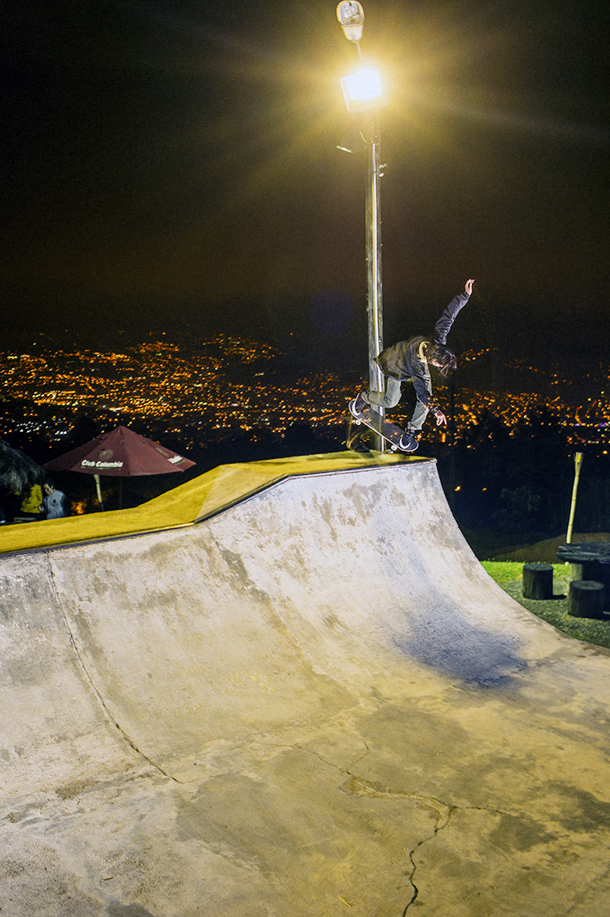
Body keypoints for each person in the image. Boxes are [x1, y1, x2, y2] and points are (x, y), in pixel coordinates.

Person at [349, 279, 475, 452]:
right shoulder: (418, 367)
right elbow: (422, 393)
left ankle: (411, 431)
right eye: (439, 366)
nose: (438, 368)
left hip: (416, 368)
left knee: (426, 399)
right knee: (390, 401)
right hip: (396, 366)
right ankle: (363, 398)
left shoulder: (437, 342)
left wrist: (465, 296)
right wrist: (436, 411)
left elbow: (448, 317)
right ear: (434, 360)